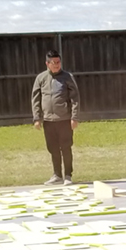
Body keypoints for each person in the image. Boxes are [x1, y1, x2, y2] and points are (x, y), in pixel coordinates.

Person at [31, 50, 81, 185]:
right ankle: (57, 175)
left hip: (64, 119)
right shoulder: (41, 78)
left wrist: (74, 117)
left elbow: (75, 98)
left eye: (58, 62)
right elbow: (35, 99)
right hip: (48, 120)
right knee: (52, 148)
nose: (57, 65)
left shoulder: (67, 77)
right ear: (47, 63)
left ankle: (68, 175)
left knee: (66, 147)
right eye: (54, 63)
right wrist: (37, 118)